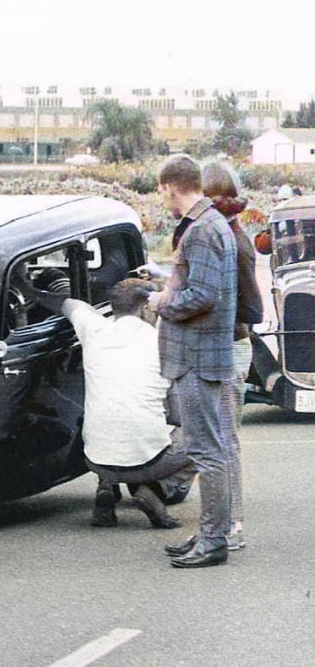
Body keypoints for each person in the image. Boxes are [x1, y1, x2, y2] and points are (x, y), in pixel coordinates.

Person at [148, 154, 238, 569]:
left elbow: (202, 296)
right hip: (203, 355)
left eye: (161, 191)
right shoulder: (212, 224)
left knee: (206, 451)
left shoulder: (201, 230)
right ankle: (209, 533)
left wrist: (161, 301)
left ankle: (214, 539)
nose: (162, 198)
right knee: (210, 447)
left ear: (170, 186)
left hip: (196, 357)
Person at [40, 279, 187, 529]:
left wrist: (28, 288)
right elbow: (179, 415)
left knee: (103, 409)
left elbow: (64, 303)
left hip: (96, 460)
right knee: (204, 437)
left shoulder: (93, 327)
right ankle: (154, 488)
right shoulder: (164, 342)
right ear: (145, 309)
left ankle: (106, 488)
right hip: (148, 461)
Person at [201, 159, 260, 551]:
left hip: (230, 345)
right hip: (233, 344)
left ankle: (231, 523)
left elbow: (251, 310)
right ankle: (226, 519)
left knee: (223, 441)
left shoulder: (229, 238)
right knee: (221, 440)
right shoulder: (233, 231)